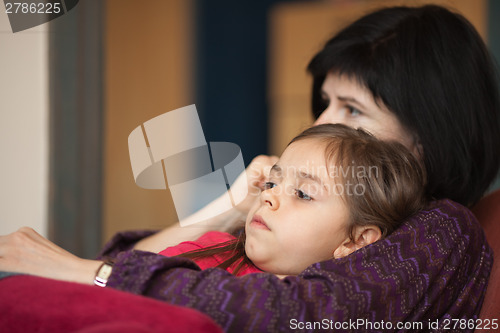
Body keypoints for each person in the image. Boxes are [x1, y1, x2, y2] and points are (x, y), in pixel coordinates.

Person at [0, 4, 498, 332]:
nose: (320, 122)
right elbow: (137, 259)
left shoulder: (441, 230)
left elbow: (297, 314)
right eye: (324, 102)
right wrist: (229, 211)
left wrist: (89, 272)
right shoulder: (295, 220)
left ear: (424, 140)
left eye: (352, 110)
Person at [159, 124, 426, 277]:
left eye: (302, 194)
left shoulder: (329, 309)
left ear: (356, 240)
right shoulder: (213, 248)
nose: (268, 195)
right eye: (272, 183)